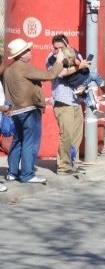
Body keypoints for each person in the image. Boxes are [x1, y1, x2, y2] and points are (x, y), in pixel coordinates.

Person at [4, 38, 64, 184]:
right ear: (21, 54)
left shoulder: (8, 70)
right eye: (27, 50)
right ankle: (27, 175)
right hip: (30, 110)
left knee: (18, 141)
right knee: (30, 143)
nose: (31, 51)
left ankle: (12, 173)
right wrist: (59, 61)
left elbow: (7, 92)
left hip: (15, 111)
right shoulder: (25, 67)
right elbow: (49, 75)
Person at [46, 34, 91, 175]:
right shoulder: (51, 58)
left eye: (61, 47)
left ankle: (72, 162)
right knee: (66, 135)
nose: (58, 50)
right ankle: (63, 166)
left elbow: (85, 72)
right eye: (55, 48)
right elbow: (61, 73)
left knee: (76, 135)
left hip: (76, 101)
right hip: (63, 102)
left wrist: (83, 86)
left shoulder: (75, 55)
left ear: (67, 45)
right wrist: (79, 67)